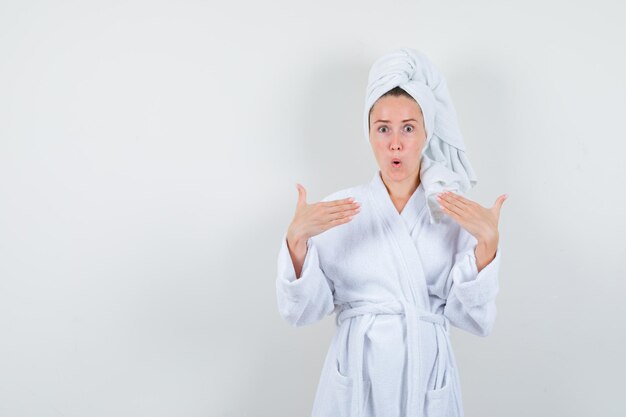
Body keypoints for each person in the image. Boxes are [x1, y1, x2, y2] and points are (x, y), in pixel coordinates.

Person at [275, 48, 507, 417]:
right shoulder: (339, 210)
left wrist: (487, 247)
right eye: (383, 128)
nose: (395, 143)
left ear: (427, 134)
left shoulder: (452, 212)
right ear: (368, 134)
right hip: (356, 377)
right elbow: (301, 312)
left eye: (408, 128)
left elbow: (475, 320)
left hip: (426, 375)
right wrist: (297, 243)